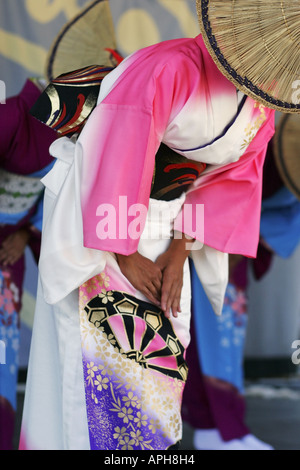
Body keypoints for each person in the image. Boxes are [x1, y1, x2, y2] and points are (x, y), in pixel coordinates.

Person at [19, 0, 300, 451]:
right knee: (96, 357)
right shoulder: (168, 66)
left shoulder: (259, 102)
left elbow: (231, 180)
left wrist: (179, 250)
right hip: (98, 210)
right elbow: (116, 149)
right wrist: (123, 252)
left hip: (170, 223)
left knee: (161, 360)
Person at [182, 132, 300, 450]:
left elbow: (283, 212)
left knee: (225, 333)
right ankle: (212, 425)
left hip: (239, 236)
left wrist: (242, 240)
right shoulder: (259, 134)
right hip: (199, 223)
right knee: (197, 330)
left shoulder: (287, 158)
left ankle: (228, 426)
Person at [0, 78, 56, 450]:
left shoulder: (67, 136)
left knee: (3, 347)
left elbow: (59, 196)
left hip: (9, 248)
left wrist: (25, 234)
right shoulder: (10, 117)